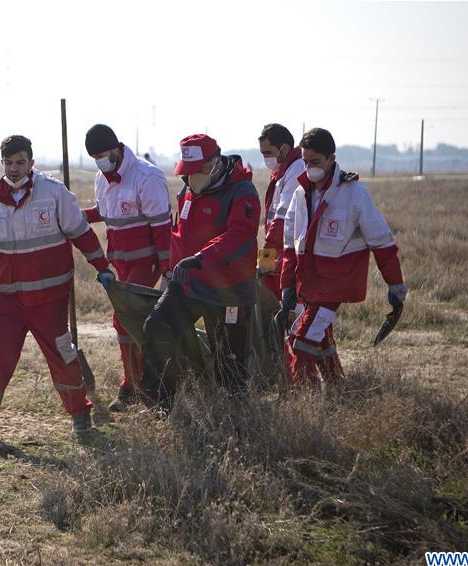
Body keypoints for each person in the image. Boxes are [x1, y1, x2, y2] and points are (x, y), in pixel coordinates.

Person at [0, 135, 115, 440]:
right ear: (1, 163)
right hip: (8, 299)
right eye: (8, 163)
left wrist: (103, 268)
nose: (14, 168)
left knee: (63, 358)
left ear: (31, 163)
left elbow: (82, 234)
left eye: (20, 162)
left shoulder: (54, 193)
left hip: (49, 299)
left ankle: (80, 416)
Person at [139, 134, 260, 408]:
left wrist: (200, 257)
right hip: (189, 283)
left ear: (215, 163)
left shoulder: (243, 192)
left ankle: (236, 419)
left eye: (196, 170)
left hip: (230, 291)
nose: (191, 177)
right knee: (157, 327)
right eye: (187, 171)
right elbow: (180, 235)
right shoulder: (188, 190)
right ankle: (159, 407)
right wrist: (171, 270)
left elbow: (240, 236)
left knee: (228, 360)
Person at [280, 128, 407, 387]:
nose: (309, 168)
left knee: (301, 342)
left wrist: (395, 285)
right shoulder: (299, 195)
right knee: (321, 339)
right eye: (305, 162)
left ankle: (301, 404)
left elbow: (382, 243)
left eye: (315, 162)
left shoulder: (355, 194)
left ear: (331, 158)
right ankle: (339, 390)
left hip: (335, 285)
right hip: (310, 285)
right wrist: (287, 286)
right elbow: (289, 246)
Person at [82, 124, 172, 412]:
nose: (100, 160)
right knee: (126, 322)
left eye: (103, 154)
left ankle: (138, 385)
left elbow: (162, 228)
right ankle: (135, 382)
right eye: (94, 156)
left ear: (117, 148)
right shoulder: (101, 178)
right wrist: (74, 216)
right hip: (119, 262)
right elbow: (104, 212)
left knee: (127, 321)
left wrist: (168, 269)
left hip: (146, 262)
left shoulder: (147, 177)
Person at [258, 123, 304, 298]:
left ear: (283, 149)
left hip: (293, 253)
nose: (265, 159)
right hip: (283, 251)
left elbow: (281, 221)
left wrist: (265, 259)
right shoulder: (281, 171)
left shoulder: (296, 171)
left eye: (267, 153)